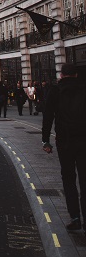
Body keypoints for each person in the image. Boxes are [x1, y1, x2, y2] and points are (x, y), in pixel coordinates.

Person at [42, 63, 86, 232]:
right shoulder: (83, 89)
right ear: (76, 75)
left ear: (61, 75)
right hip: (83, 139)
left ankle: (75, 218)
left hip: (64, 141)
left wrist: (45, 140)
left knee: (68, 179)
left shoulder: (56, 90)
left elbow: (48, 116)